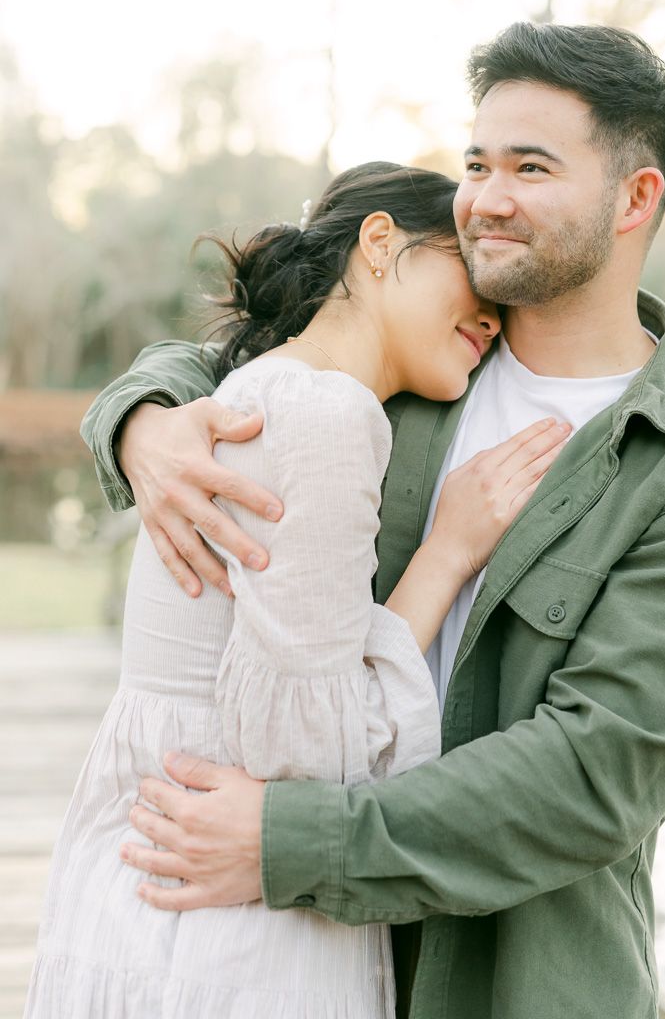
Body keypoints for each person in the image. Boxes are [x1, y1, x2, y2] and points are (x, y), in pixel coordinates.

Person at [78, 25, 665, 1019]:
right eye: (476, 162)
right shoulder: (419, 358)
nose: (484, 197)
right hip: (290, 959)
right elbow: (243, 363)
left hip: (504, 983)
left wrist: (288, 842)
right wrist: (138, 424)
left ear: (634, 198)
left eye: (530, 167)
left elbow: (586, 777)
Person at [25, 161, 572, 1019]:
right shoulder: (329, 414)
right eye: (471, 271)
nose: (495, 320)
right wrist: (446, 555)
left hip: (153, 891)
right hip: (229, 933)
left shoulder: (265, 389)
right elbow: (306, 750)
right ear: (381, 243)